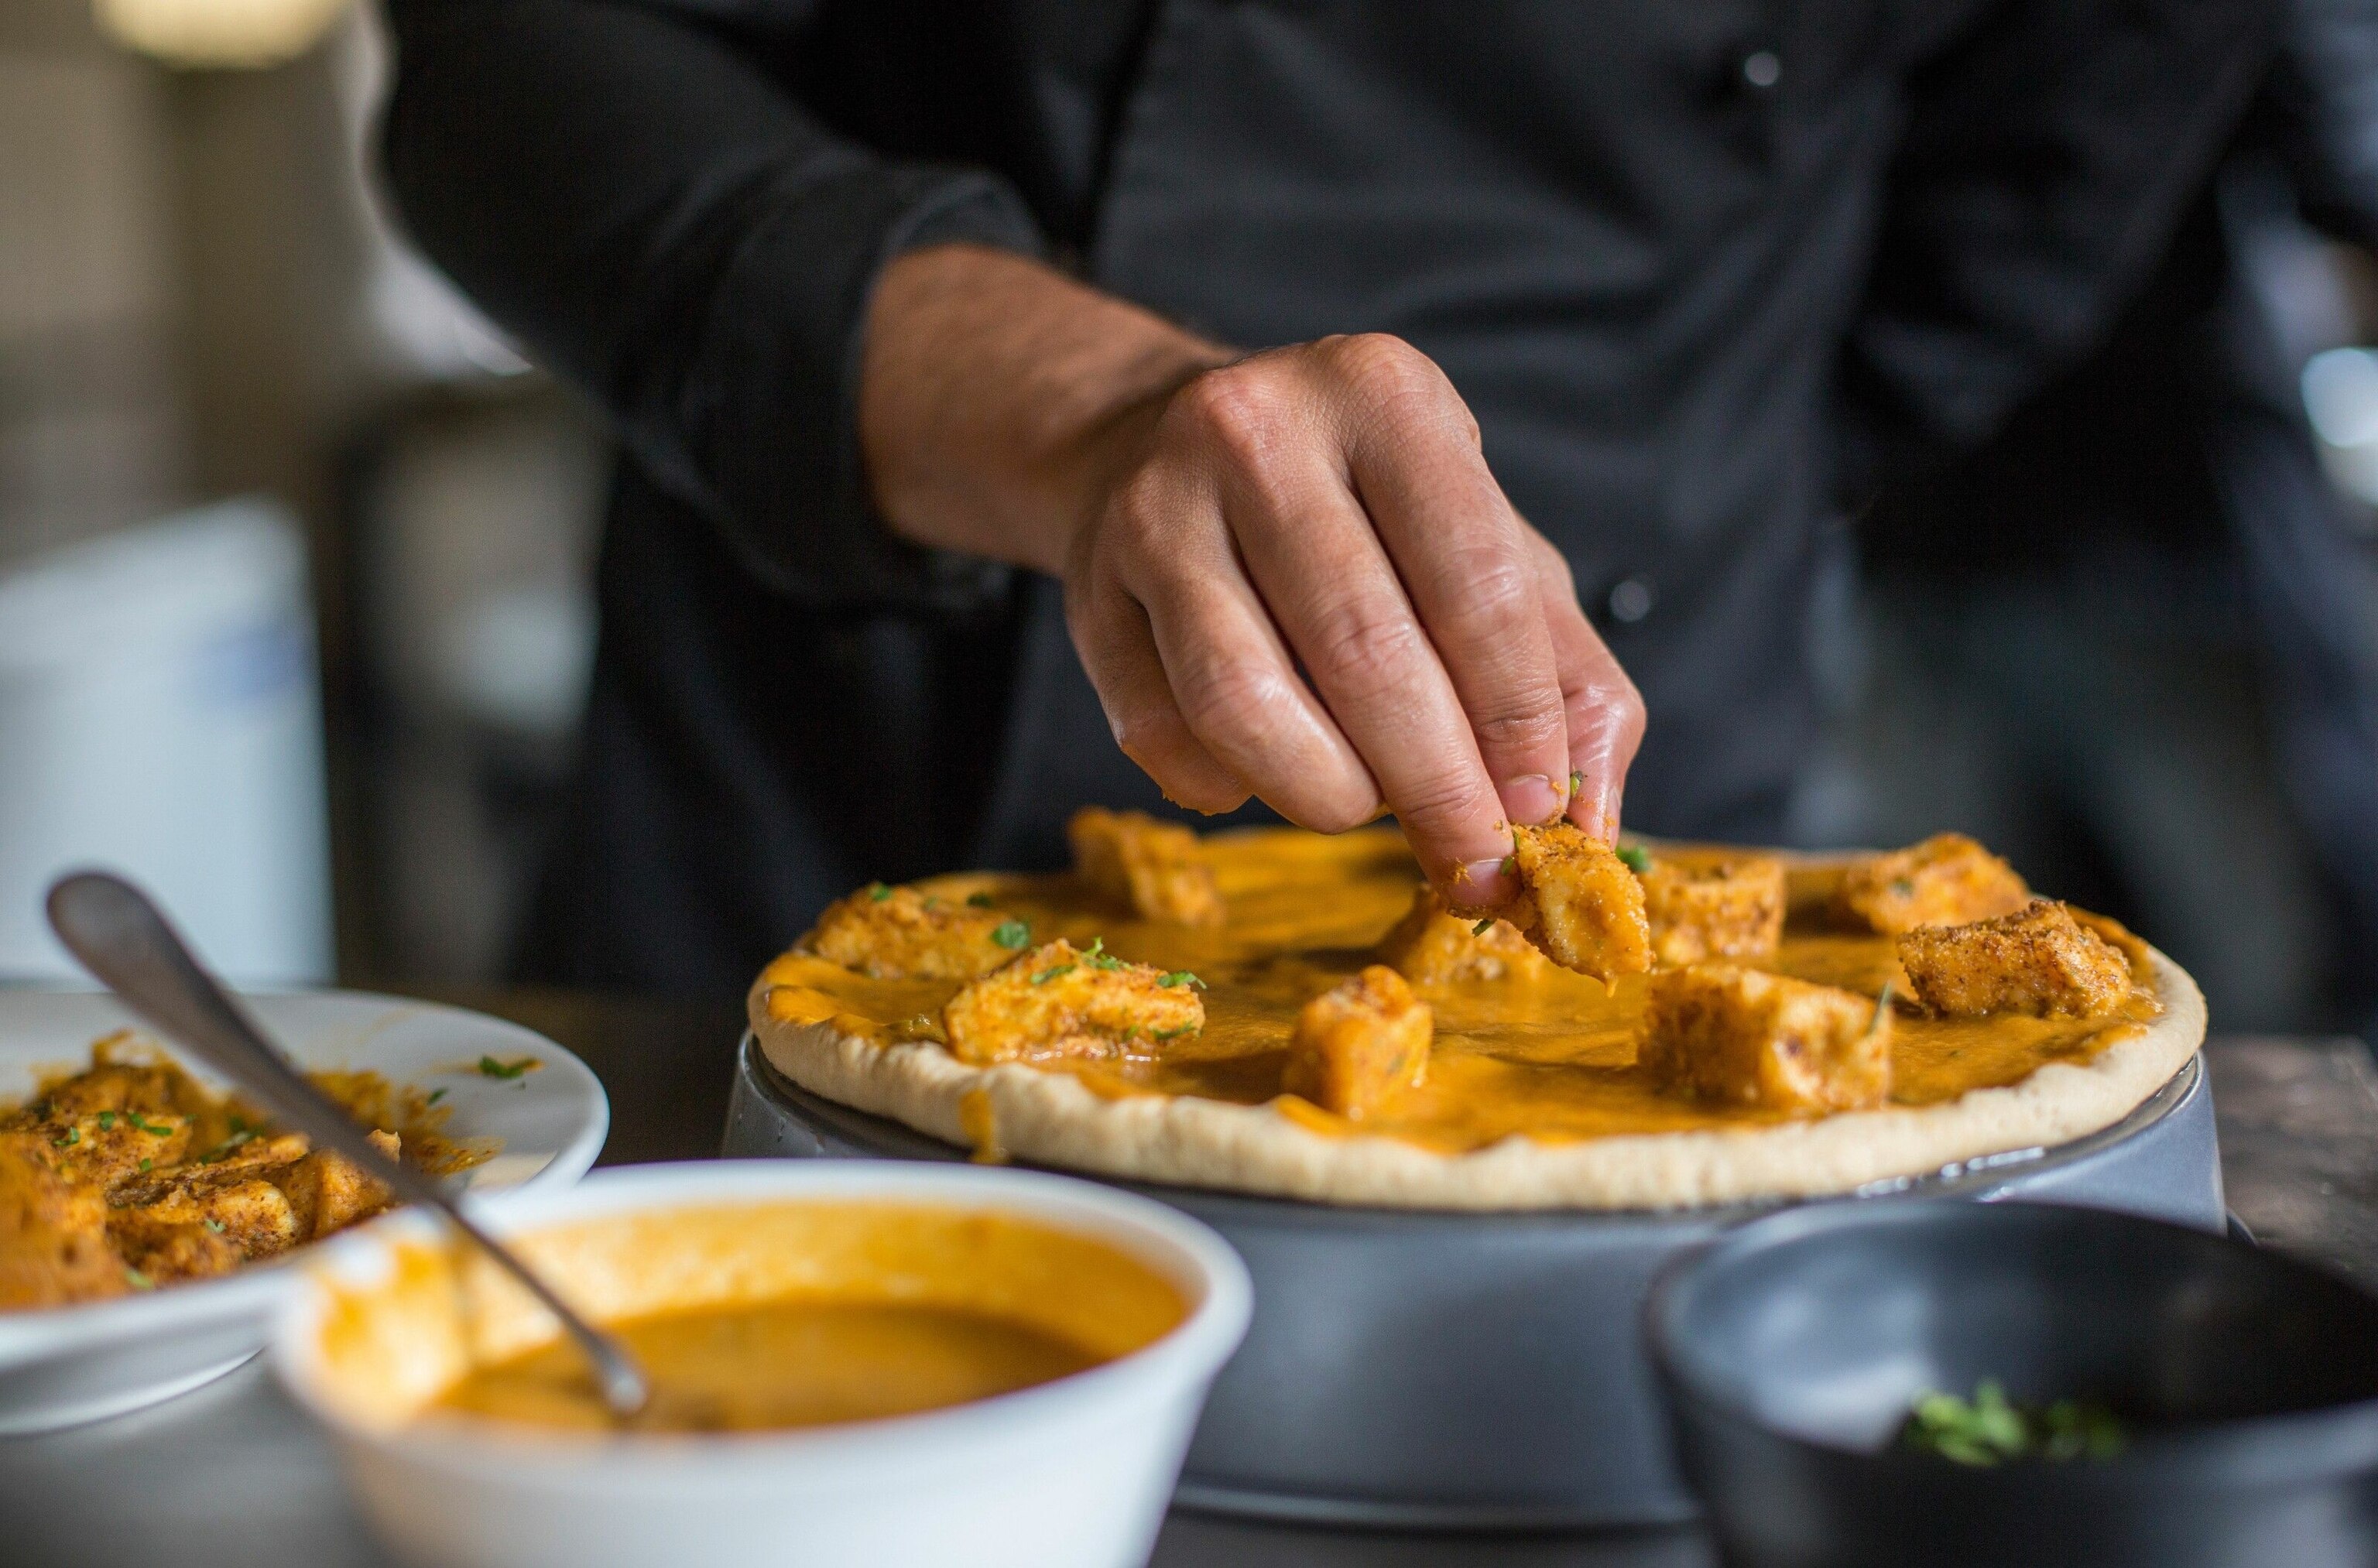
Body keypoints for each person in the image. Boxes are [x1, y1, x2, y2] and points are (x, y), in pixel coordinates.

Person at [381, 0, 2267, 994]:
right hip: (827, 768)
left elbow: (2039, 176)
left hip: (1631, 758)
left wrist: (1691, 444)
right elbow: (512, 60)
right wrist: (1084, 410)